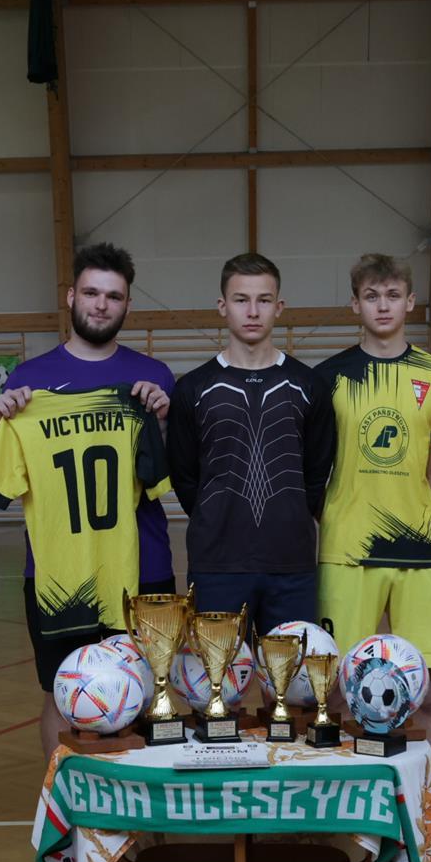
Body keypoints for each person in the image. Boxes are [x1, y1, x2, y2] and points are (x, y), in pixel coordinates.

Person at [314, 253, 431, 862]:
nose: (383, 305)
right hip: (346, 553)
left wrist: (403, 516)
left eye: (393, 294)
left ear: (410, 302)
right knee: (337, 692)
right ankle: (343, 824)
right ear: (355, 303)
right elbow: (316, 468)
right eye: (371, 295)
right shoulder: (329, 378)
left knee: (427, 694)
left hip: (416, 553)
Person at [0, 242, 174, 757]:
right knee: (64, 692)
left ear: (127, 304)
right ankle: (62, 798)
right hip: (58, 573)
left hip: (142, 564)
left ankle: (137, 802)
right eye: (92, 293)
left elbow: (174, 473)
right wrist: (2, 421)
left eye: (113, 296)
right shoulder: (28, 382)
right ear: (71, 296)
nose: (101, 304)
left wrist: (161, 423)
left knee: (145, 693)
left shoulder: (154, 378)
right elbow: (7, 474)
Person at [166, 252, 335, 633]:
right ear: (222, 306)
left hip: (291, 565)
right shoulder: (193, 388)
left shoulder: (309, 385)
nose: (253, 311)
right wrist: (216, 517)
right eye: (241, 300)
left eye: (264, 300)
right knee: (221, 673)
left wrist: (290, 515)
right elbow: (184, 476)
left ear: (279, 307)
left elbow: (317, 473)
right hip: (216, 565)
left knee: (291, 672)